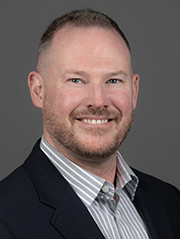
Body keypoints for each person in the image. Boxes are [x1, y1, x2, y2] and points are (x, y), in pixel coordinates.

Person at [0, 8, 180, 239]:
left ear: (134, 91)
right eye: (76, 80)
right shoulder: (6, 218)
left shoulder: (170, 202)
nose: (98, 100)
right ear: (38, 90)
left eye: (113, 80)